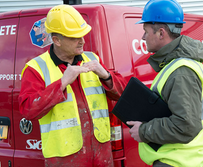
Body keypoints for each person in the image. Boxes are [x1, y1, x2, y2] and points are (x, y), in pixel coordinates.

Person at [19, 4, 126, 167]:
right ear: (56, 40)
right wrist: (61, 83)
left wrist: (105, 75)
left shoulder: (92, 59)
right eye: (75, 37)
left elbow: (124, 94)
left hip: (101, 155)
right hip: (64, 159)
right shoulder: (36, 68)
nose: (82, 41)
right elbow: (28, 110)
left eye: (83, 35)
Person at [126, 0, 203, 167]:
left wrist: (144, 131)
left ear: (161, 33)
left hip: (175, 161)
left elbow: (186, 126)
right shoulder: (175, 64)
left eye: (145, 31)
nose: (143, 37)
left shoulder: (181, 71)